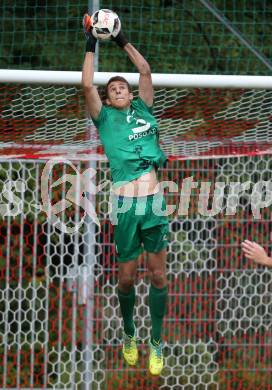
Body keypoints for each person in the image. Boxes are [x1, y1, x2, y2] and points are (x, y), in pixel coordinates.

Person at [81, 14, 169, 376]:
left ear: (130, 94)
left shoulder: (143, 109)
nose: (117, 89)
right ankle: (130, 333)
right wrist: (91, 39)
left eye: (122, 87)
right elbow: (87, 84)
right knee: (127, 279)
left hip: (154, 203)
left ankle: (157, 342)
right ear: (107, 98)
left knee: (159, 276)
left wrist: (120, 38)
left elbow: (145, 69)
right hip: (125, 206)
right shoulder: (105, 120)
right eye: (112, 89)